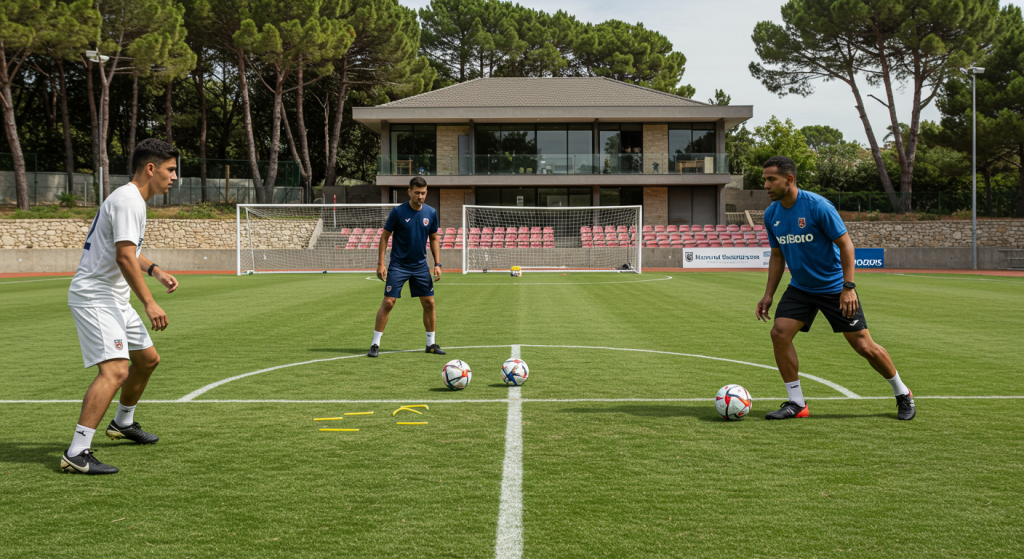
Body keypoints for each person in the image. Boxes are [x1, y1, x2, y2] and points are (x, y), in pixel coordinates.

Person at [755, 155, 915, 420]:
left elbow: (846, 245)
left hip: (833, 287)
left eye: (771, 179)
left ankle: (903, 393)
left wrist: (848, 287)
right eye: (765, 180)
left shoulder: (818, 206)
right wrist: (768, 294)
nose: (766, 185)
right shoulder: (771, 214)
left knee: (863, 346)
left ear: (789, 179)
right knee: (779, 333)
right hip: (801, 288)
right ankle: (797, 404)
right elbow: (777, 255)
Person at [62, 138, 180, 475]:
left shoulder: (132, 200)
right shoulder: (129, 201)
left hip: (113, 297)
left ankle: (122, 423)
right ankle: (77, 452)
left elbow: (130, 251)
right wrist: (149, 302)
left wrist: (155, 270)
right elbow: (124, 257)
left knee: (147, 359)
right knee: (115, 371)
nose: (174, 177)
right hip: (95, 297)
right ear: (151, 168)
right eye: (171, 170)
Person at [368, 176, 444, 358]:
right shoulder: (398, 212)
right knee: (388, 302)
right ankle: (375, 344)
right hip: (399, 265)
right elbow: (385, 236)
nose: (420, 196)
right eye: (417, 193)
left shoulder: (431, 213)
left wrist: (437, 264)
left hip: (420, 266)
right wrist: (381, 264)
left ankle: (430, 344)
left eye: (423, 193)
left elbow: (434, 238)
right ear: (409, 192)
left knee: (429, 303)